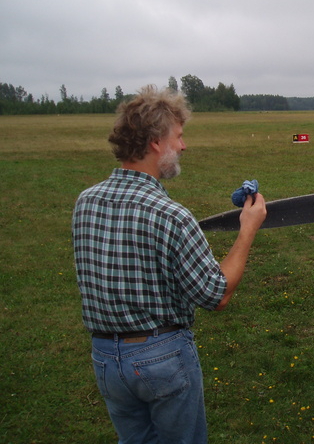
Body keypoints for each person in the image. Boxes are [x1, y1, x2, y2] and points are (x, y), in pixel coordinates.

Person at [72, 85, 266, 443]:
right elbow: (216, 294)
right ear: (156, 142)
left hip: (104, 359)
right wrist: (247, 229)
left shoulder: (85, 202)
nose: (183, 145)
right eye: (178, 136)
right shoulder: (172, 215)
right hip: (161, 358)